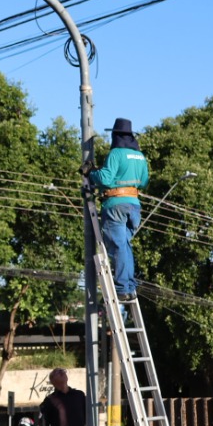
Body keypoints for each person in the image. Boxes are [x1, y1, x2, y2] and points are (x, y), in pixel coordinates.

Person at [88, 117, 149, 300]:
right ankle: (129, 286)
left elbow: (105, 179)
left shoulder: (116, 153)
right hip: (134, 206)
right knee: (125, 247)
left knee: (119, 247)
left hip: (116, 206)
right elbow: (144, 182)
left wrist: (91, 173)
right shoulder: (140, 156)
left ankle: (122, 288)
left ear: (116, 135)